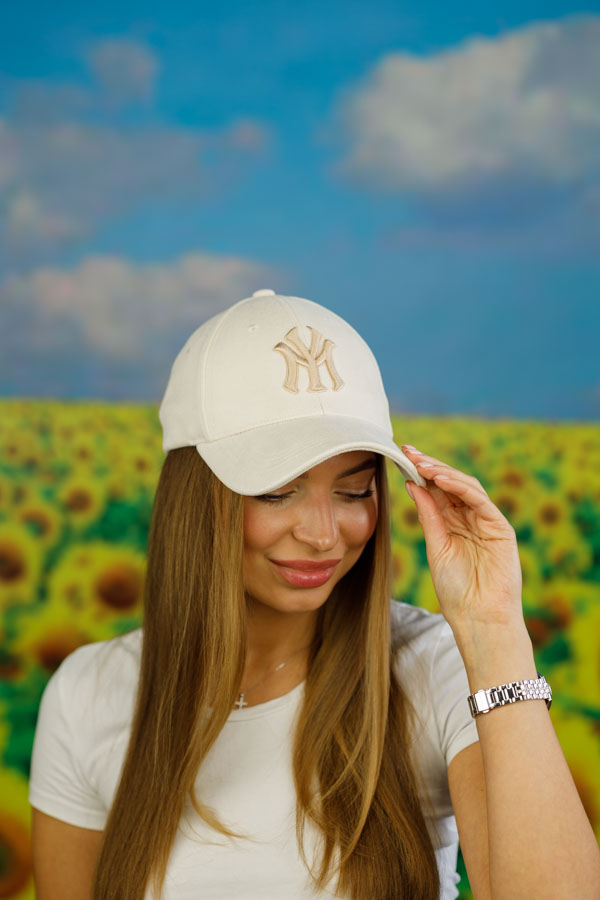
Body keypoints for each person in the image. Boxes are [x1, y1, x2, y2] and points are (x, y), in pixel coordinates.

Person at [29, 289, 600, 900]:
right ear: (194, 498)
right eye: (277, 491)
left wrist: (494, 630)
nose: (324, 535)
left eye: (354, 492)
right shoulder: (89, 695)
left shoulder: (437, 667)